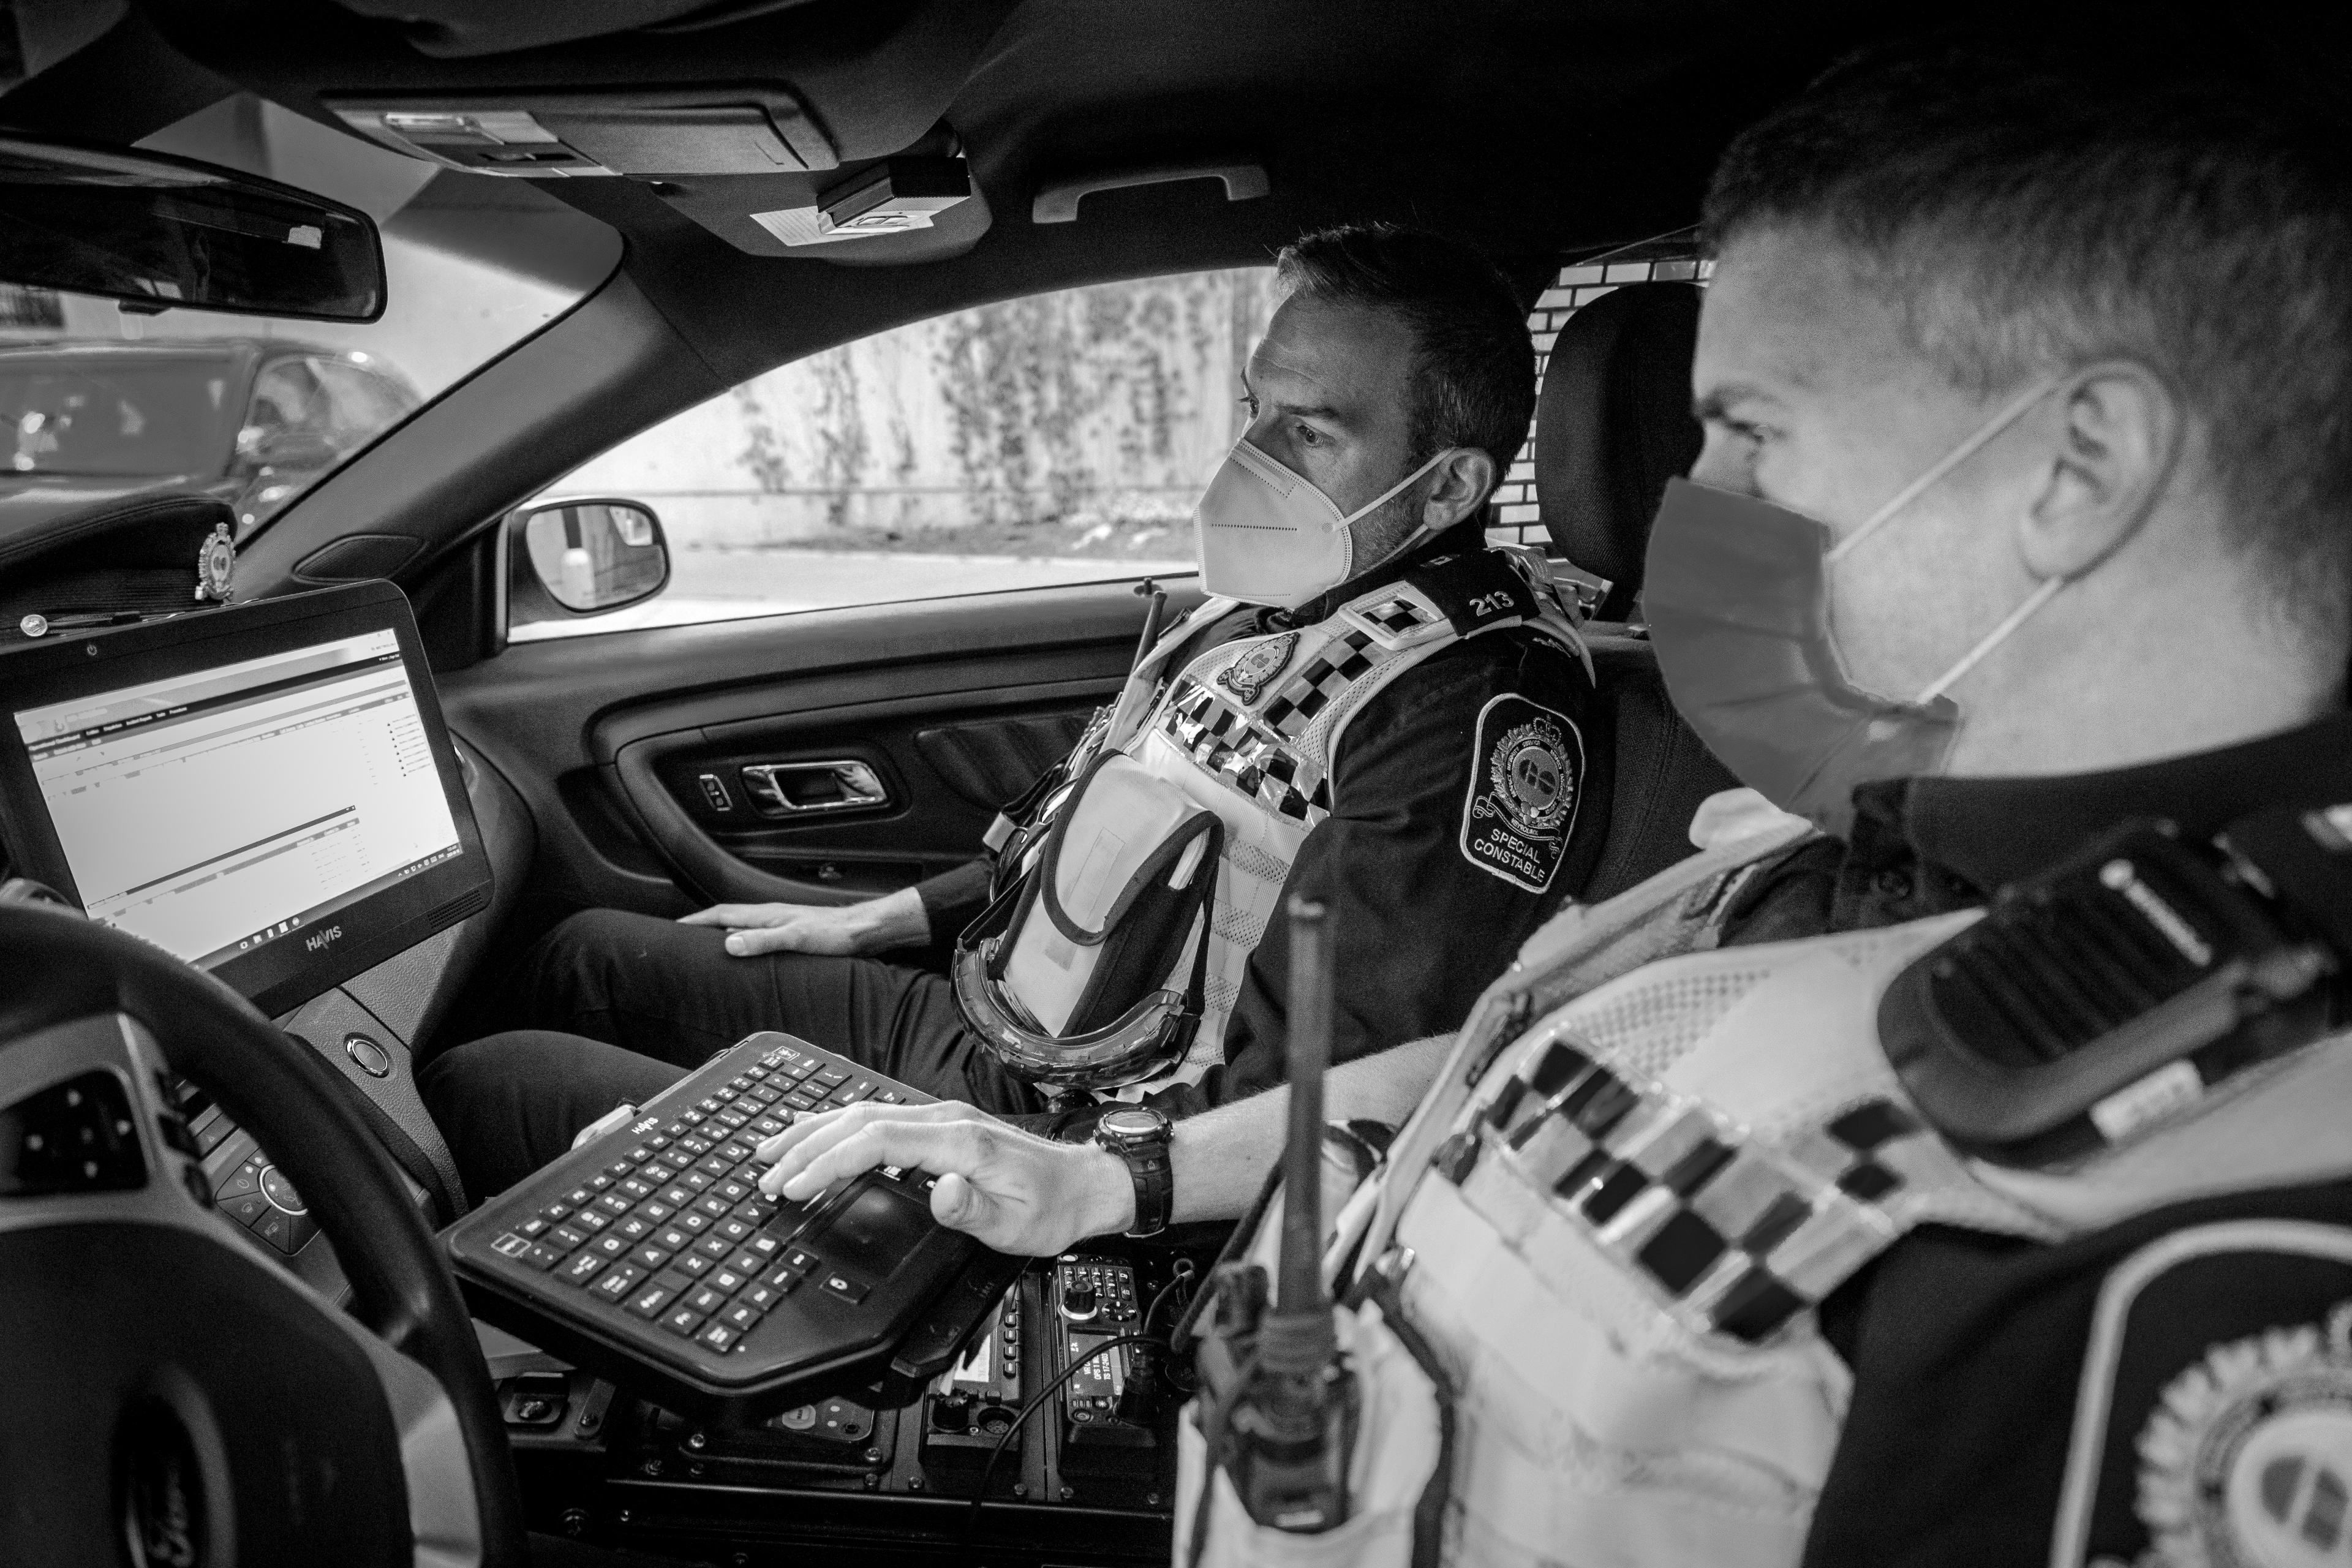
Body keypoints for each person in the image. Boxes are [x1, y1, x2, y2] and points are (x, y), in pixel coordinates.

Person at [752, 28, 2352, 1567]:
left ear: (2079, 468)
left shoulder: (2183, 1244)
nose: (1689, 506)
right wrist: (1113, 1183)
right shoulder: (1836, 856)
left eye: (1752, 434)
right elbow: (1482, 1063)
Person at [423, 225, 1614, 1200]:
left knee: (492, 1083)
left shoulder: (1479, 706)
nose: (1248, 455)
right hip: (999, 1029)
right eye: (1256, 407)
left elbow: (1333, 1084)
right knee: (585, 958)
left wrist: (1076, 1180)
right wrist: (882, 918)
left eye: (1308, 430)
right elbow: (1104, 834)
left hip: (1076, 1142)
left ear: (1451, 483)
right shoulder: (1286, 604)